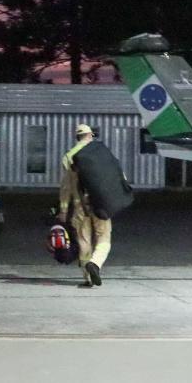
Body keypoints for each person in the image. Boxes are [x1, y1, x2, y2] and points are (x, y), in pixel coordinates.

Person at [57, 123, 112, 287]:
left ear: (77, 137)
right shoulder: (102, 154)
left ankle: (87, 278)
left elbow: (66, 187)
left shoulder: (69, 157)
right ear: (90, 136)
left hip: (80, 206)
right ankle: (95, 263)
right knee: (104, 238)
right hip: (101, 204)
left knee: (83, 241)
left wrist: (63, 210)